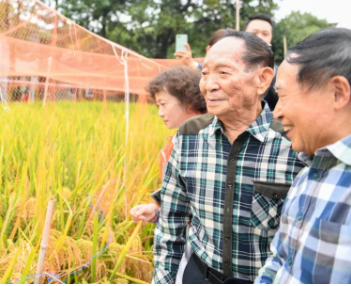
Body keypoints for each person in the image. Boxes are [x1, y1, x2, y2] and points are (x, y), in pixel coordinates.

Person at [153, 31, 305, 284]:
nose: (208, 85)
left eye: (223, 73)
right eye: (204, 73)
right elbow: (171, 223)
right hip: (200, 275)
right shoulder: (189, 135)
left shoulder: (295, 142)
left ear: (262, 79)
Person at [255, 28, 351, 284]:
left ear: (338, 93)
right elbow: (279, 258)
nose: (277, 113)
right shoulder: (308, 173)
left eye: (283, 95)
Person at [130, 66, 207, 283]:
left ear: (189, 101)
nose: (160, 112)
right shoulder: (172, 145)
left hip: (204, 252)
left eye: (163, 104)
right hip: (180, 247)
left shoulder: (212, 142)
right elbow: (180, 201)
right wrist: (156, 210)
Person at [244, 14, 278, 110]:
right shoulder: (229, 68)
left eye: (265, 34)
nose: (260, 38)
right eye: (254, 33)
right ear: (243, 34)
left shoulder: (280, 74)